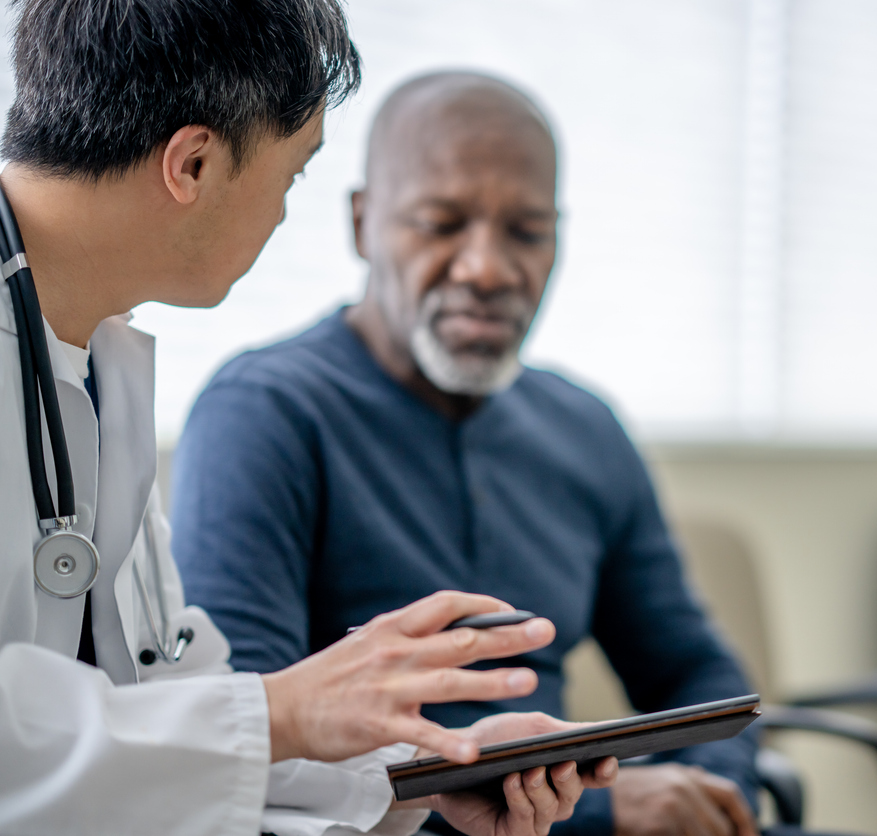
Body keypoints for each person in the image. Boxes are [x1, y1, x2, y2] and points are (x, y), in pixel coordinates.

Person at [0, 5, 616, 835]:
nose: (286, 213)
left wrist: (424, 772)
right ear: (194, 163)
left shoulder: (90, 355)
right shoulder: (259, 400)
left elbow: (166, 711)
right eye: (292, 176)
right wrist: (282, 709)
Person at [172, 72, 761, 836]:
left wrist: (711, 794)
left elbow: (695, 672)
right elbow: (250, 736)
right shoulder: (265, 412)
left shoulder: (585, 427)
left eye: (526, 232)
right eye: (441, 222)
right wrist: (612, 811)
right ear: (363, 224)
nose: (486, 268)